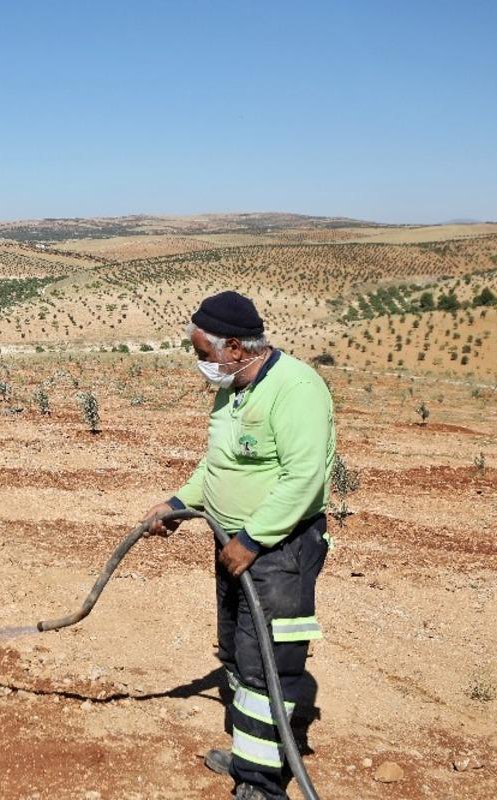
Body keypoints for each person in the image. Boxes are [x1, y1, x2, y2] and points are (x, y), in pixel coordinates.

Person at [143, 291, 334, 800]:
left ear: (234, 346)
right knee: (236, 653)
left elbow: (304, 479)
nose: (200, 363)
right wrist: (176, 504)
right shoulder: (232, 389)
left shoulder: (296, 389)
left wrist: (252, 539)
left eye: (204, 353)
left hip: (277, 552)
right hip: (234, 548)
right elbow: (218, 466)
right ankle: (251, 756)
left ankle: (261, 784)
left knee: (266, 665)